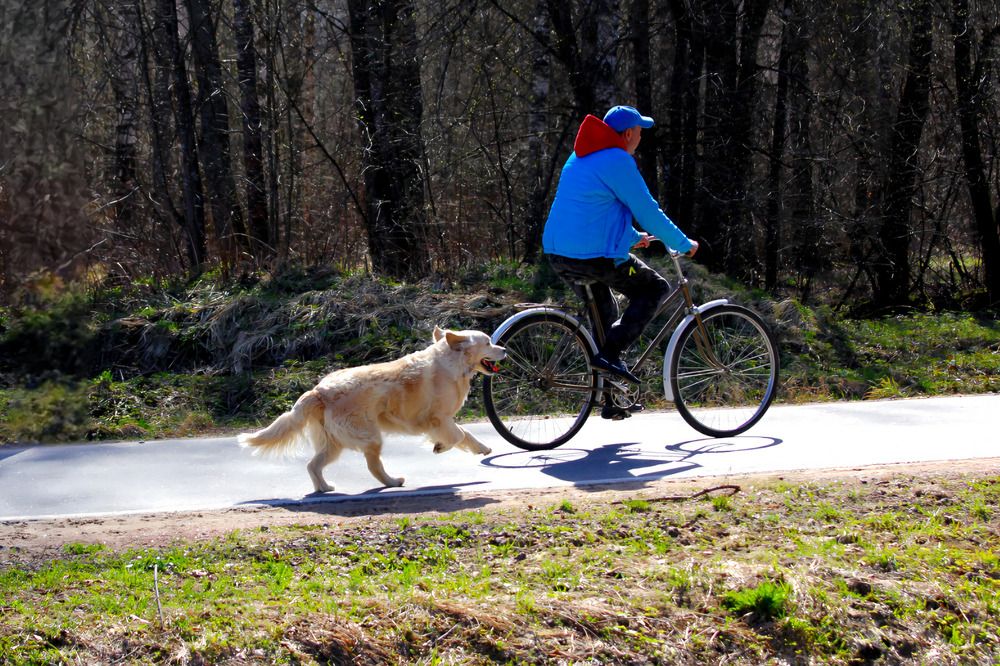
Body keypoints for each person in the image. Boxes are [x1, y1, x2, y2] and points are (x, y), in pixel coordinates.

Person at [542, 105, 698, 417]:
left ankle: (610, 400)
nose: (640, 138)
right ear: (628, 134)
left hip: (559, 253)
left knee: (606, 313)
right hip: (594, 257)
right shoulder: (618, 160)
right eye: (640, 132)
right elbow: (649, 210)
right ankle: (611, 355)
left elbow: (591, 212)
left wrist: (629, 238)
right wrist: (682, 242)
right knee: (654, 287)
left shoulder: (580, 157)